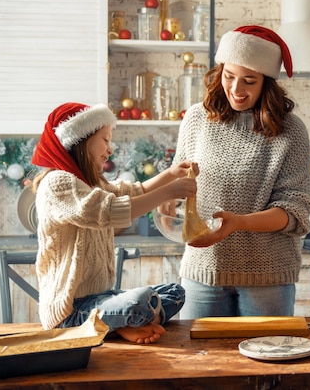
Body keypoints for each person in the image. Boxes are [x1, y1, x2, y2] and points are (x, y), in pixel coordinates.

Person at [172, 25, 310, 318]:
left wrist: (239, 222)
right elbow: (178, 180)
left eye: (249, 81)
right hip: (203, 269)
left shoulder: (291, 131)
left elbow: (294, 212)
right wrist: (166, 198)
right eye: (229, 76)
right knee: (199, 362)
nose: (236, 89)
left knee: (268, 360)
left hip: (268, 276)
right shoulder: (198, 118)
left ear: (267, 82)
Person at [31, 102, 197, 344]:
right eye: (105, 140)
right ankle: (125, 321)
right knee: (141, 301)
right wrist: (168, 192)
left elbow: (130, 192)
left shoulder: (90, 183)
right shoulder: (58, 183)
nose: (110, 149)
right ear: (82, 140)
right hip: (70, 313)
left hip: (102, 300)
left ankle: (120, 324)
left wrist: (170, 174)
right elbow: (110, 211)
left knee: (175, 293)